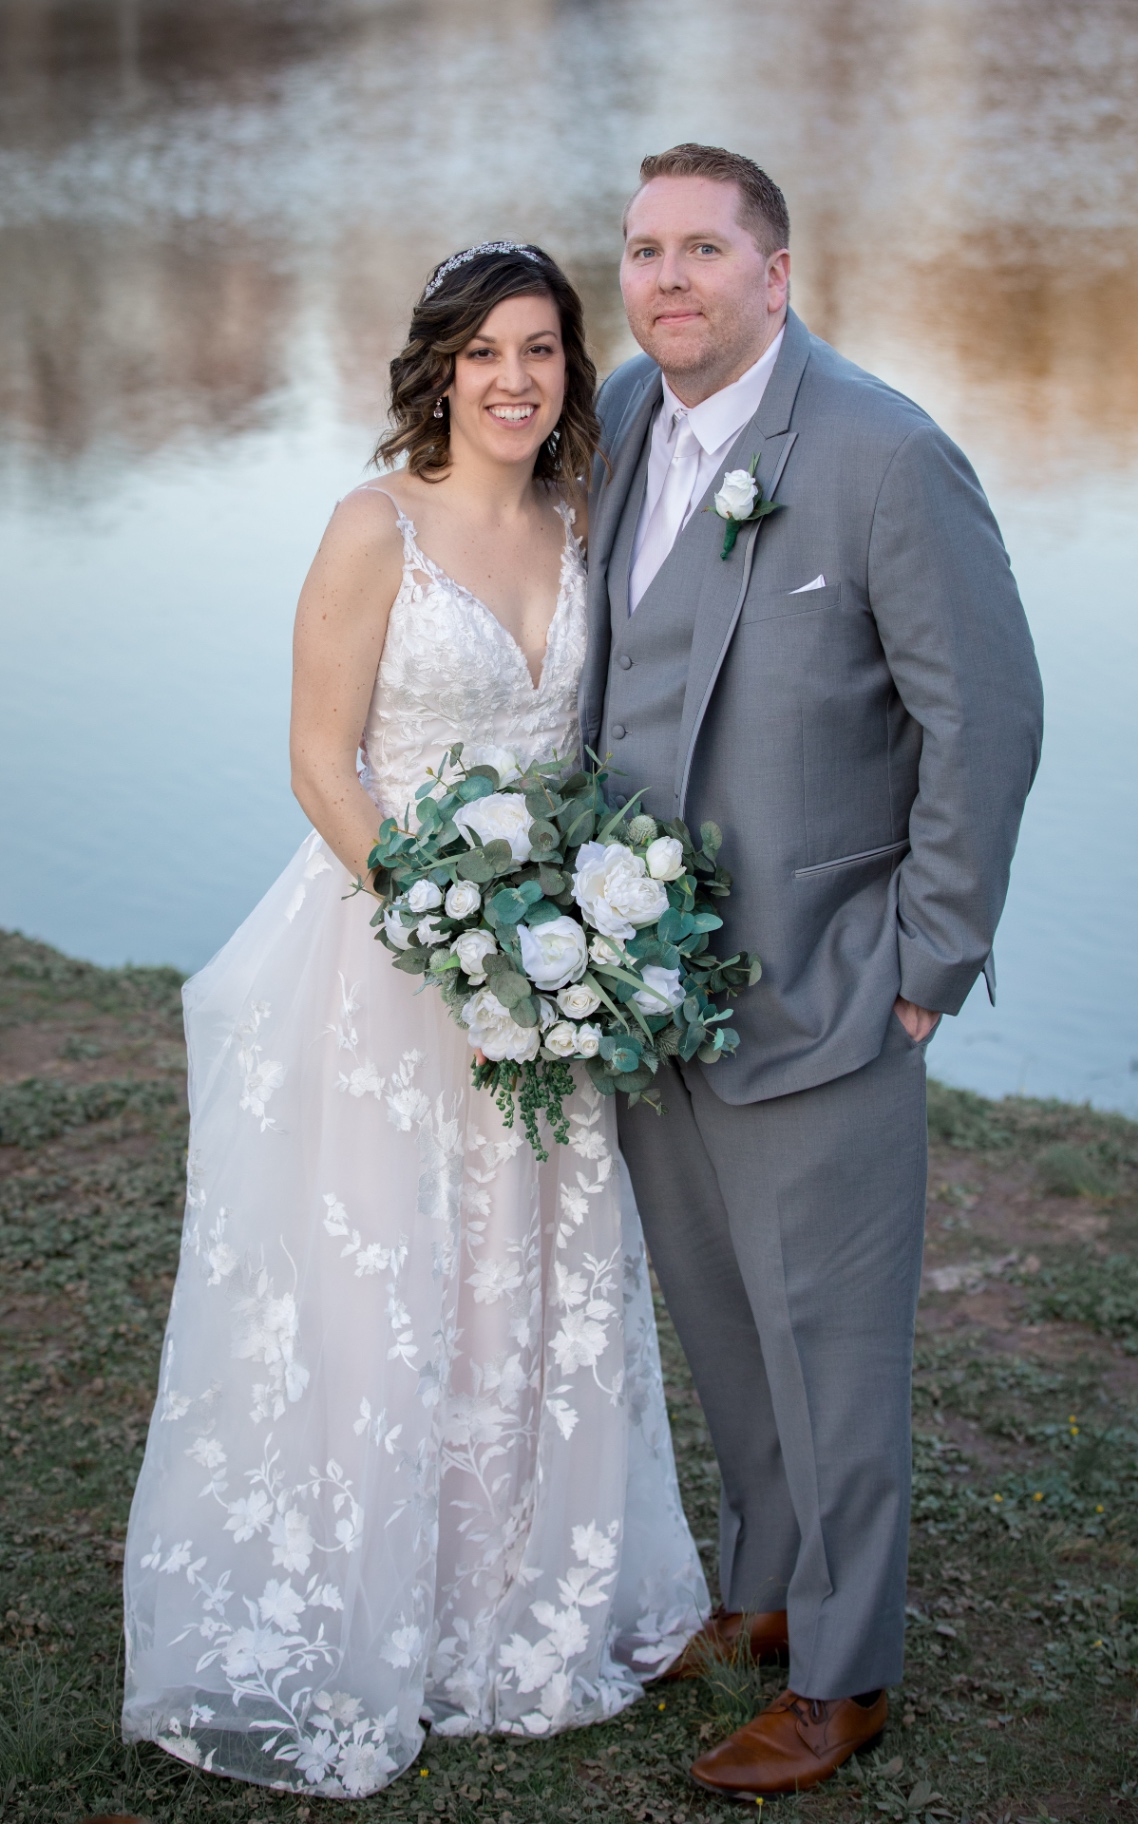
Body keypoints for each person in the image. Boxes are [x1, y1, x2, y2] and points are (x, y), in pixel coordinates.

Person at [122, 242, 708, 1800]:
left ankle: (522, 1607)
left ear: (572, 369)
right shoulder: (370, 527)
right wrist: (452, 923)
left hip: (553, 965)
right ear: (437, 370)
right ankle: (369, 1612)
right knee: (389, 1279)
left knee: (533, 1273)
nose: (516, 379)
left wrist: (560, 938)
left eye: (542, 350)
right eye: (484, 353)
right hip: (399, 950)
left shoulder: (584, 518)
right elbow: (323, 766)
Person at [581, 145, 1044, 1798]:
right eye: (644, 252)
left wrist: (926, 963)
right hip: (646, 995)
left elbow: (982, 720)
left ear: (777, 272)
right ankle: (767, 1595)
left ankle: (845, 1681)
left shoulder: (884, 454)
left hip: (831, 993)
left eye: (704, 250)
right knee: (721, 1322)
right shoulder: (626, 417)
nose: (669, 281)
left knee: (833, 1353)